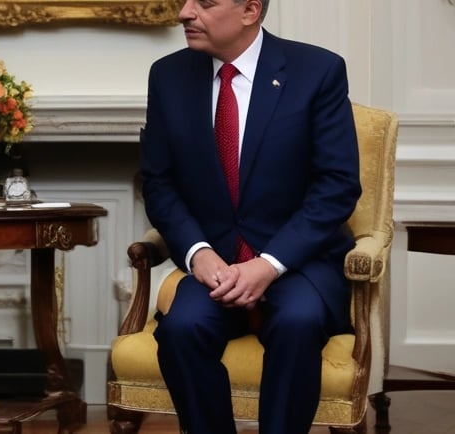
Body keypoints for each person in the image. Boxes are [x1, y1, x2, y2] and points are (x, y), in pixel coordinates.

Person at [139, 0, 361, 433]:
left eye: (204, 3)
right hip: (215, 266)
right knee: (181, 332)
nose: (185, 12)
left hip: (297, 263)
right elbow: (159, 183)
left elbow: (337, 185)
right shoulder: (168, 76)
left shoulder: (317, 71)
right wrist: (197, 253)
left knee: (298, 323)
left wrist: (270, 263)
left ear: (250, 11)